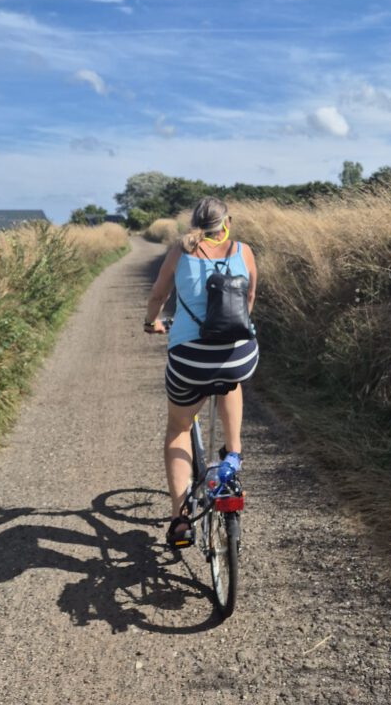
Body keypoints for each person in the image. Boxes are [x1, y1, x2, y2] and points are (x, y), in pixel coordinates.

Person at [143, 197, 258, 549]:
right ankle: (233, 454)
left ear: (194, 224)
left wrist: (151, 323)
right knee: (231, 381)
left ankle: (180, 520)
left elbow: (158, 296)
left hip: (190, 360)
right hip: (240, 354)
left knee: (178, 429)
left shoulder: (180, 252)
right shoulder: (244, 251)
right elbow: (249, 299)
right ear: (227, 222)